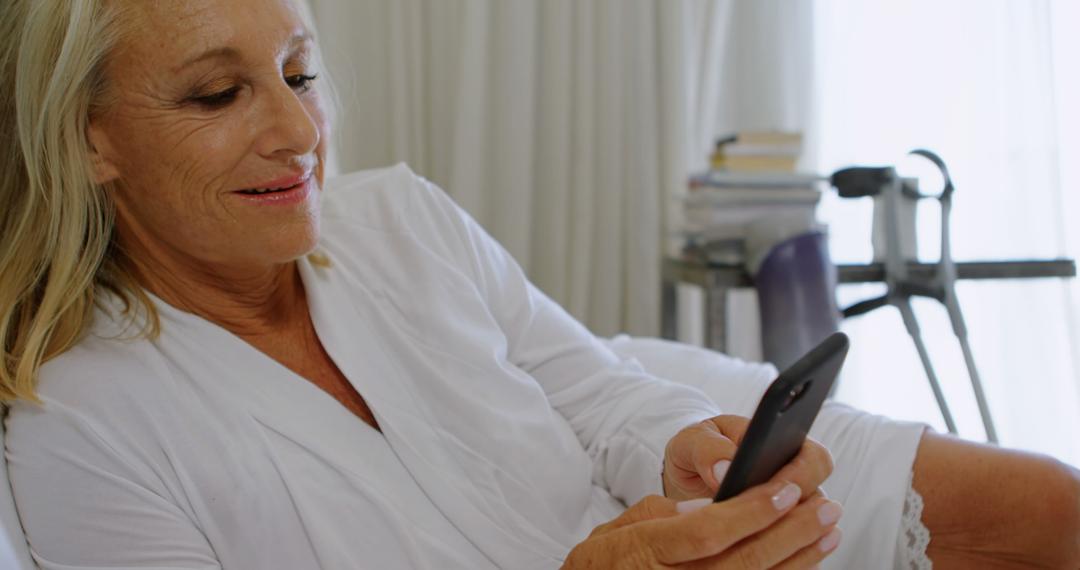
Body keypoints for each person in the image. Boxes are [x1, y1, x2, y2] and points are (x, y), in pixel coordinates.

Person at [0, 0, 1076, 568]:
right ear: (91, 138)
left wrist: (684, 443)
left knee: (1051, 508)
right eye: (217, 94)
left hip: (664, 531)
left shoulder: (401, 219)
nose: (297, 134)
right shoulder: (81, 420)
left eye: (300, 74)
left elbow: (598, 384)